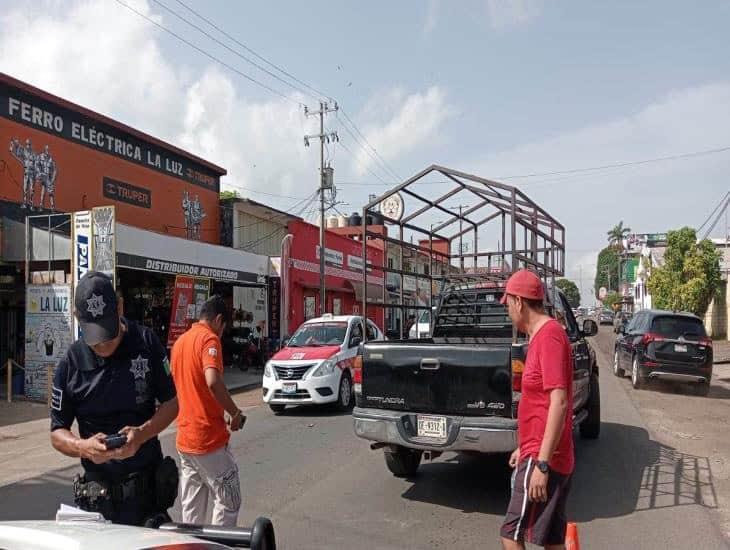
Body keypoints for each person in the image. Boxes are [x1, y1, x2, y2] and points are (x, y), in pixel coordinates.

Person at [50, 272, 179, 526]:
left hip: (148, 500)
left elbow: (172, 404)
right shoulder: (71, 363)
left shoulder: (145, 343)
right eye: (95, 338)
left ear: (119, 306)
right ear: (78, 318)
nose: (104, 344)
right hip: (98, 506)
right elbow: (57, 432)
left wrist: (141, 434)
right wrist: (82, 446)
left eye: (108, 333)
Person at [499, 270, 574, 550]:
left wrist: (541, 463)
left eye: (508, 304)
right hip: (542, 451)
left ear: (519, 302)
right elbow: (540, 404)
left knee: (511, 533)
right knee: (552, 540)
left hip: (546, 458)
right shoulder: (542, 336)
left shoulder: (549, 337)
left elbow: (559, 401)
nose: (508, 312)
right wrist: (525, 446)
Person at [171, 295, 245, 526]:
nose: (222, 333)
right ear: (219, 320)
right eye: (224, 327)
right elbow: (212, 380)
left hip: (185, 440)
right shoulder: (209, 340)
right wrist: (234, 412)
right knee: (229, 500)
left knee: (192, 511)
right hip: (207, 439)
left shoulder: (180, 343)